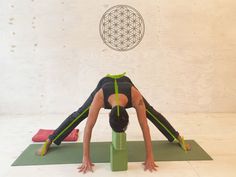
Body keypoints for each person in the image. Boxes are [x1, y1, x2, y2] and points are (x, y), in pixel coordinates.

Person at [36, 73, 191, 173]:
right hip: (105, 83)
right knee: (80, 113)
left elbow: (145, 126)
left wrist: (150, 156)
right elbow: (88, 127)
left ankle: (177, 136)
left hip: (126, 82)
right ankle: (50, 139)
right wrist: (85, 157)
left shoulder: (136, 97)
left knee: (150, 112)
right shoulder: (99, 98)